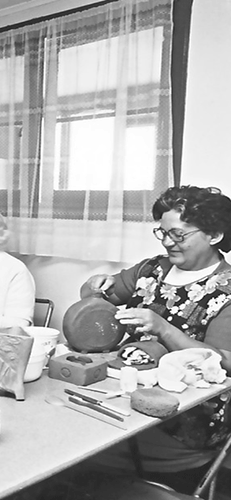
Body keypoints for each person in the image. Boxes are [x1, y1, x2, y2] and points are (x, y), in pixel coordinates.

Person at [80, 185, 231, 490]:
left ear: (214, 235)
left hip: (181, 420)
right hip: (123, 393)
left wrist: (162, 328)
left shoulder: (226, 290)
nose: (166, 242)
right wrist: (92, 287)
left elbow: (223, 361)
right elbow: (94, 302)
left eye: (178, 235)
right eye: (161, 233)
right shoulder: (151, 269)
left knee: (75, 449)